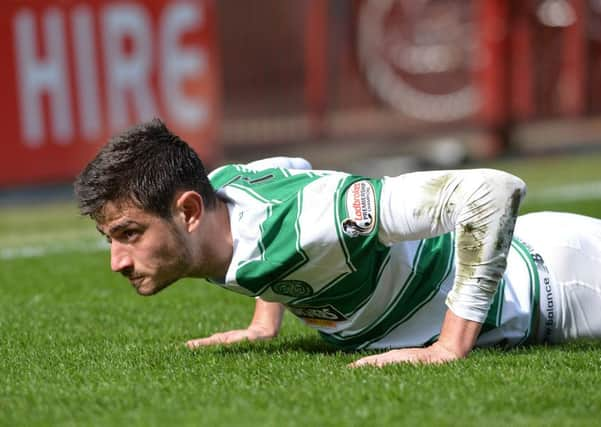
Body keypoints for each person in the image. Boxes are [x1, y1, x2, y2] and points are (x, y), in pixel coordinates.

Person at [74, 119, 601, 367]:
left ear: (188, 211)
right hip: (544, 264)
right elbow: (289, 171)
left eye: (129, 234)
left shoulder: (318, 220)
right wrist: (264, 325)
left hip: (558, 286)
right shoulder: (227, 194)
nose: (117, 260)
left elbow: (491, 191)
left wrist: (447, 347)